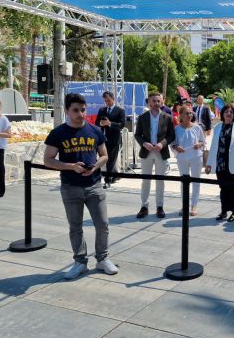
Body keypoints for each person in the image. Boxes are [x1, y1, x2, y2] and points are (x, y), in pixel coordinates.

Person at [44, 93, 117, 280]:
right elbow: (48, 160)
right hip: (70, 187)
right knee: (75, 226)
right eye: (76, 110)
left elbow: (104, 156)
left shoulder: (95, 131)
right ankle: (80, 262)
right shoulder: (58, 133)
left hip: (94, 185)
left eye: (83, 110)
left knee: (103, 224)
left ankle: (102, 259)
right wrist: (71, 167)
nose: (80, 114)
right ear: (67, 110)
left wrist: (94, 168)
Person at [134, 92, 175, 219]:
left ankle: (160, 206)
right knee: (145, 180)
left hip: (160, 152)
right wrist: (144, 143)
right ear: (149, 102)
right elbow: (137, 135)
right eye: (153, 101)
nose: (156, 103)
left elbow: (171, 135)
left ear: (162, 102)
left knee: (160, 181)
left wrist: (162, 144)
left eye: (158, 101)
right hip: (146, 152)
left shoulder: (167, 117)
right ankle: (144, 206)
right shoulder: (142, 117)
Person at [206, 103, 234, 222]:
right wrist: (209, 163)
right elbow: (213, 146)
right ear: (222, 114)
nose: (228, 114)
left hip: (233, 161)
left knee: (233, 188)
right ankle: (224, 211)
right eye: (226, 112)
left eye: (231, 112)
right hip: (220, 162)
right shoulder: (218, 127)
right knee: (223, 188)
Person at [170, 105, 205, 216]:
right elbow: (173, 143)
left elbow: (203, 142)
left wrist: (199, 144)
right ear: (180, 115)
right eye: (187, 113)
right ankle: (184, 205)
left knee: (196, 181)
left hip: (196, 158)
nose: (189, 115)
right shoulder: (176, 129)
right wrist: (176, 147)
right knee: (183, 183)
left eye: (191, 113)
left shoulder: (197, 127)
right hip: (182, 159)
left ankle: (194, 206)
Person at [95, 91, 126, 189]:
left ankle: (107, 181)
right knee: (103, 159)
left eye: (108, 100)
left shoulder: (120, 110)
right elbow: (96, 123)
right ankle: (114, 175)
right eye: (105, 101)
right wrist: (101, 124)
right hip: (102, 140)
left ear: (113, 99)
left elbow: (122, 125)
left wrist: (109, 124)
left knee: (110, 160)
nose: (107, 102)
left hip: (114, 140)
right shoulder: (102, 110)